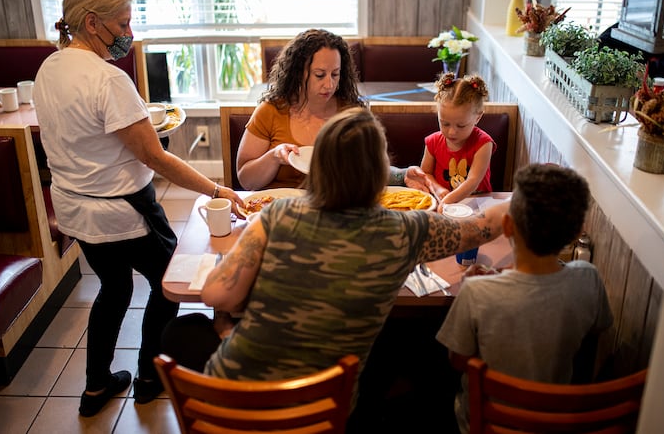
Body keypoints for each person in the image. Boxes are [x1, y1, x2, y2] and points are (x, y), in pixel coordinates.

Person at [161, 107, 508, 422]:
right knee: (417, 349)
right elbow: (482, 228)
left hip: (230, 412)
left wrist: (226, 328)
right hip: (325, 414)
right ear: (379, 172)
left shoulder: (279, 213)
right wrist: (518, 201)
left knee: (180, 332)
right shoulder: (406, 230)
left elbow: (217, 295)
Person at [32, 0, 243, 417]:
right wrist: (218, 189)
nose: (129, 33)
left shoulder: (49, 68)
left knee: (113, 287)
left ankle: (95, 385)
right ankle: (150, 377)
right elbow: (156, 158)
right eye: (123, 24)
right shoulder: (108, 80)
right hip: (122, 209)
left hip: (74, 206)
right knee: (168, 283)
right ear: (92, 23)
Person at [435, 163, 613, 434]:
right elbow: (595, 333)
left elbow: (458, 361)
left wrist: (481, 285)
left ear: (507, 225)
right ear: (576, 234)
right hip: (558, 422)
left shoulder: (476, 292)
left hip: (487, 423)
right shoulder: (588, 278)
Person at [236, 28, 430, 191]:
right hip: (276, 210)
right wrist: (275, 157)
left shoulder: (352, 112)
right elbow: (246, 181)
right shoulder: (271, 111)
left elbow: (373, 169)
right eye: (320, 75)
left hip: (335, 213)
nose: (329, 84)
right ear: (297, 72)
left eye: (335, 74)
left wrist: (402, 175)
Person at [420, 72, 496, 212]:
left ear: (478, 118)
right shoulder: (433, 142)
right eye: (445, 124)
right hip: (441, 204)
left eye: (461, 126)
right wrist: (438, 189)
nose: (451, 132)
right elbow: (425, 173)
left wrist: (448, 200)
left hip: (477, 205)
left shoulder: (484, 144)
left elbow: (473, 181)